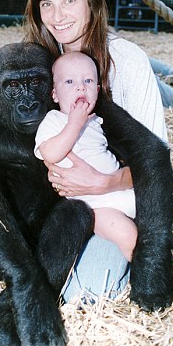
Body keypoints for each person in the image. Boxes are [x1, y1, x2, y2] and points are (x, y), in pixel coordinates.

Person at [23, 0, 167, 302]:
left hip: (115, 200)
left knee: (87, 293)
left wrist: (106, 182)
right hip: (63, 206)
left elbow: (156, 161)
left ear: (92, 2)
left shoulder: (126, 60)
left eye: (69, 0)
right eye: (47, 4)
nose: (57, 16)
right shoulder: (37, 60)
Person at [35, 52, 137, 262]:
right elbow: (49, 153)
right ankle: (150, 272)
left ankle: (163, 255)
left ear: (97, 91)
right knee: (127, 235)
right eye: (70, 81)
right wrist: (74, 123)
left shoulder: (96, 121)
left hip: (122, 191)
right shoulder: (54, 120)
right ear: (55, 94)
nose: (80, 87)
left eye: (88, 81)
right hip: (95, 207)